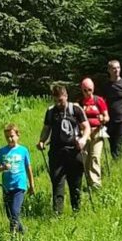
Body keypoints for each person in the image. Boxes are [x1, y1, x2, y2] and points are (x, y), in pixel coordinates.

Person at [37, 85, 90, 214]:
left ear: (66, 96)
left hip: (74, 151)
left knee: (75, 183)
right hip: (56, 152)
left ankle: (76, 211)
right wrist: (42, 141)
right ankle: (57, 214)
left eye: (60, 100)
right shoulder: (50, 111)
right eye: (55, 101)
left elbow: (86, 127)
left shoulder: (75, 109)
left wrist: (83, 140)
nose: (58, 103)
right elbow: (46, 129)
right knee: (57, 183)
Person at [0, 123, 35, 234]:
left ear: (17, 135)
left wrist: (31, 185)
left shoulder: (23, 150)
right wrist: (2, 167)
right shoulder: (2, 151)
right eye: (7, 137)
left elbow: (28, 168)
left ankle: (13, 236)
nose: (10, 139)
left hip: (19, 185)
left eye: (12, 136)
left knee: (15, 212)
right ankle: (22, 230)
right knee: (10, 214)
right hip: (6, 186)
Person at [79, 78, 109, 189]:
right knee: (85, 158)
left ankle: (96, 184)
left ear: (93, 89)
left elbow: (107, 117)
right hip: (84, 134)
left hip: (97, 132)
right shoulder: (79, 102)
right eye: (85, 90)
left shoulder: (99, 100)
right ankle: (89, 182)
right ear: (81, 90)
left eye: (89, 90)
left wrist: (103, 118)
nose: (87, 92)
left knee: (95, 157)